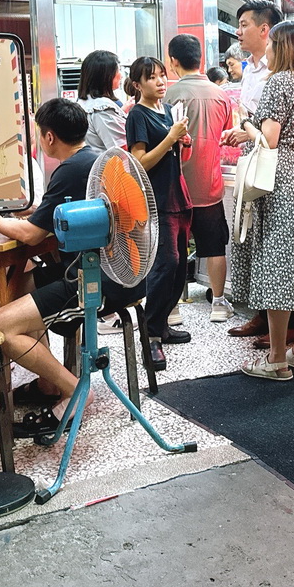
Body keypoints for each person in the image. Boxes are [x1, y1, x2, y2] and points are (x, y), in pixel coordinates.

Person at [0, 99, 137, 437]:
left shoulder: (69, 169)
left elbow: (32, 234)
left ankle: (75, 389)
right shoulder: (95, 158)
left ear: (49, 137)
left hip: (96, 281)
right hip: (119, 272)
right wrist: (27, 212)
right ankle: (47, 384)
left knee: (0, 325)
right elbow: (50, 214)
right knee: (19, 287)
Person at [226, 20, 294, 380]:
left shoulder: (278, 82)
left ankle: (277, 359)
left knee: (276, 266)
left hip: (275, 179)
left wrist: (246, 125)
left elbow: (268, 137)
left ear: (278, 45)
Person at [125, 56, 192, 369]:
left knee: (180, 266)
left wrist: (182, 142)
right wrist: (170, 138)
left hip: (178, 194)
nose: (161, 82)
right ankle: (150, 336)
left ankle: (162, 325)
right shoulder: (137, 115)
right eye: (152, 78)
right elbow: (140, 162)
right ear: (137, 84)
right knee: (166, 264)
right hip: (157, 199)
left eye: (163, 76)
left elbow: (175, 156)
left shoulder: (166, 110)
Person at [222, 1, 282, 340]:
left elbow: (273, 127)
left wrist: (248, 131)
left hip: (271, 164)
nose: (238, 30)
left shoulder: (279, 74)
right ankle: (260, 312)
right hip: (252, 159)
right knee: (250, 237)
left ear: (265, 30)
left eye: (244, 24)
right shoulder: (249, 69)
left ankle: (277, 322)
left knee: (270, 241)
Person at [165, 35, 235, 323]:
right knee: (215, 246)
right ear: (200, 59)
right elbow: (227, 136)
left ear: (173, 61)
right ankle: (219, 303)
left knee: (174, 248)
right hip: (210, 185)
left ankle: (173, 308)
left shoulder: (167, 96)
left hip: (175, 187)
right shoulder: (221, 95)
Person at [77, 50, 127, 154]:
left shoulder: (85, 101)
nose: (121, 75)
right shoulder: (102, 108)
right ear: (105, 75)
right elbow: (121, 149)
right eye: (118, 70)